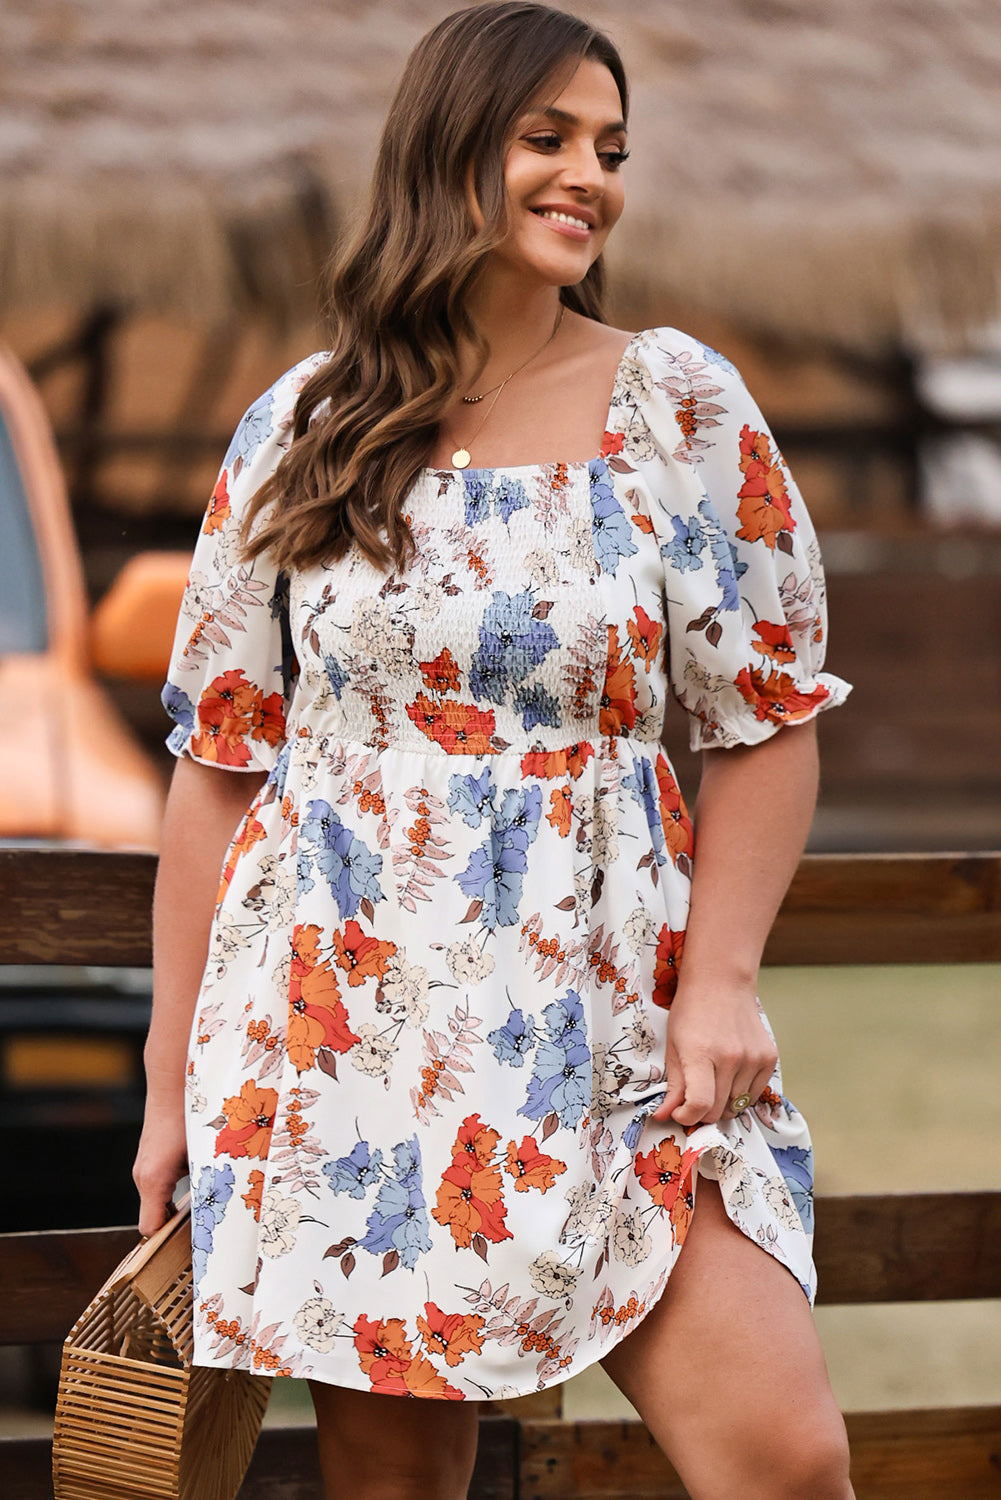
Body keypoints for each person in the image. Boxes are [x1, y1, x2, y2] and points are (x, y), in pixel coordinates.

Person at [134, 4, 856, 1496]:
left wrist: (718, 982)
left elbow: (767, 721)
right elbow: (217, 771)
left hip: (611, 1015)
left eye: (609, 150)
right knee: (395, 1485)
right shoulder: (302, 428)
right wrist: (169, 1080)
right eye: (547, 139)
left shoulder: (676, 402)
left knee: (782, 1457)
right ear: (447, 150)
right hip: (341, 1031)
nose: (587, 176)